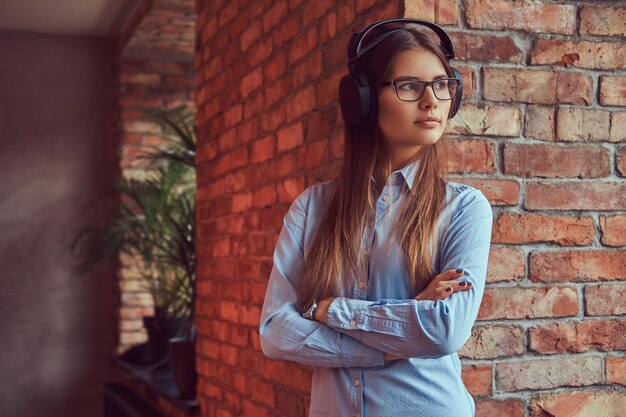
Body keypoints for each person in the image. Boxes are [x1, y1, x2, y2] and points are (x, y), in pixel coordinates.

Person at [259, 18, 493, 417]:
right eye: (408, 86)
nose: (431, 100)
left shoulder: (464, 208)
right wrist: (389, 342)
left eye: (441, 84)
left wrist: (329, 309)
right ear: (362, 100)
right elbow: (276, 333)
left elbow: (444, 329)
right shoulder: (311, 209)